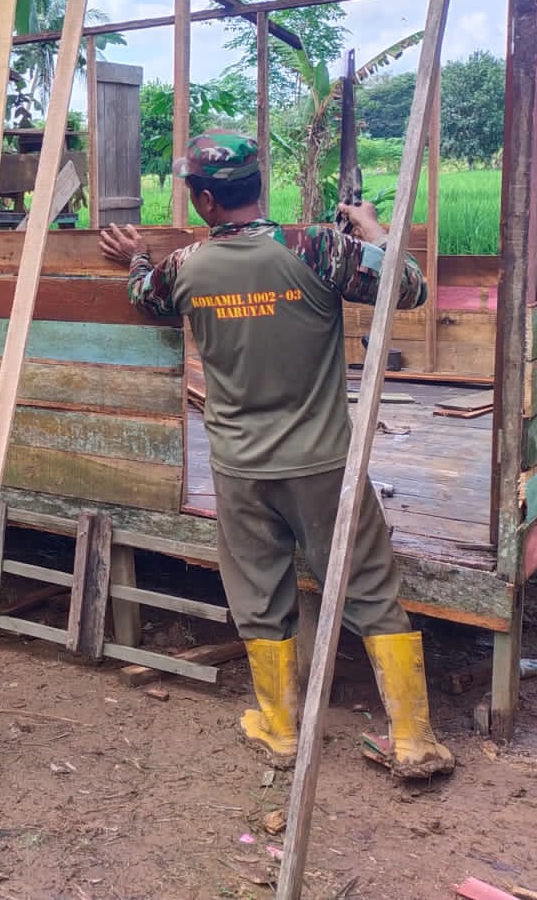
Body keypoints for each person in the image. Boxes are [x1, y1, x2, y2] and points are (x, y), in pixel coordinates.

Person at [99, 132, 454, 780]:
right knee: (369, 588)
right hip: (322, 463)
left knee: (259, 594)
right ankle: (413, 739)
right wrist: (373, 229)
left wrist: (136, 257)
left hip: (240, 467)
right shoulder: (314, 249)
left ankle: (280, 729)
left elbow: (146, 295)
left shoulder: (186, 267)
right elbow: (409, 287)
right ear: (258, 185)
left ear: (206, 200)